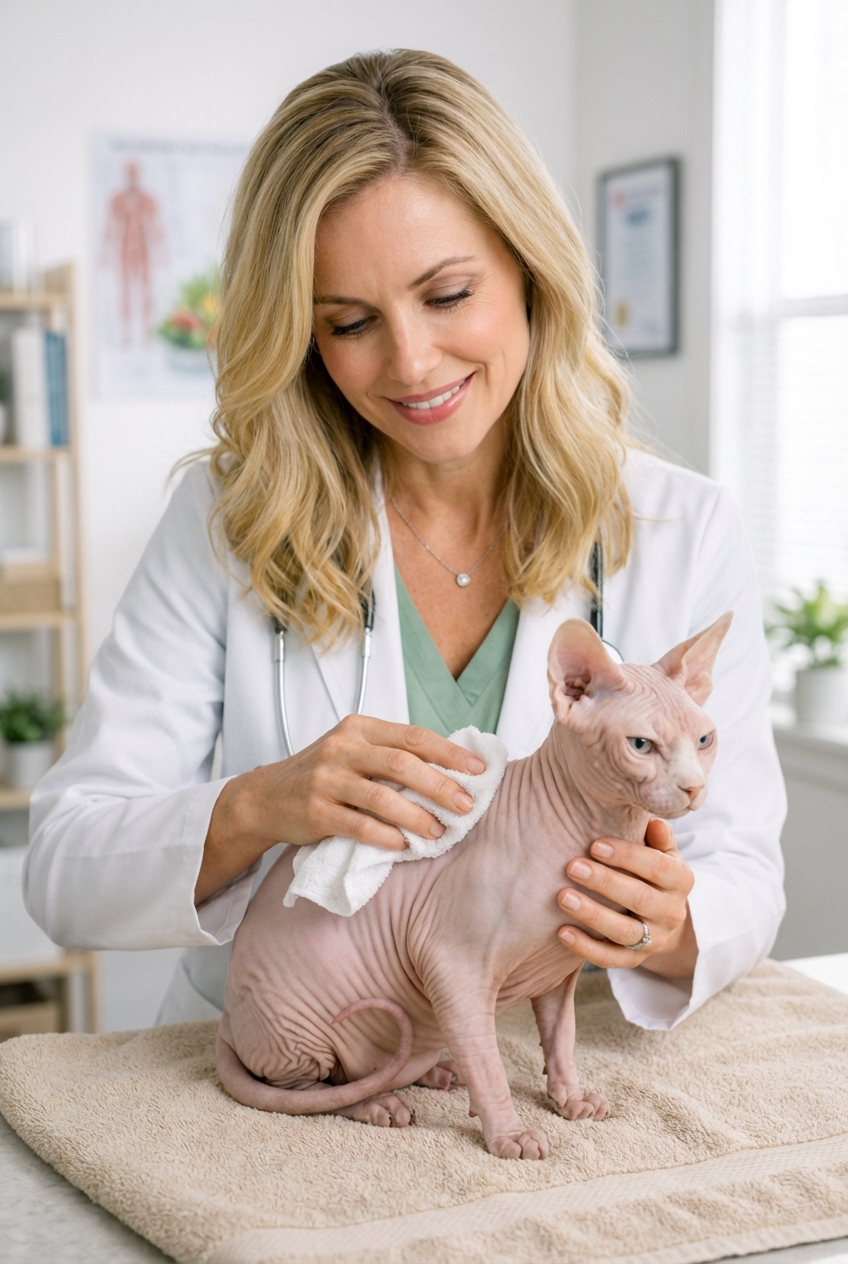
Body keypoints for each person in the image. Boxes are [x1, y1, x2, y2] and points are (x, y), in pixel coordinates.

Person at [25, 50, 785, 1032]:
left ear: (527, 269)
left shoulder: (680, 527)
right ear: (301, 337)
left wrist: (668, 924)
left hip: (545, 1073)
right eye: (348, 322)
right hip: (304, 1049)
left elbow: (742, 870)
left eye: (446, 295)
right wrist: (260, 806)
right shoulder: (228, 521)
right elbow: (65, 868)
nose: (411, 362)